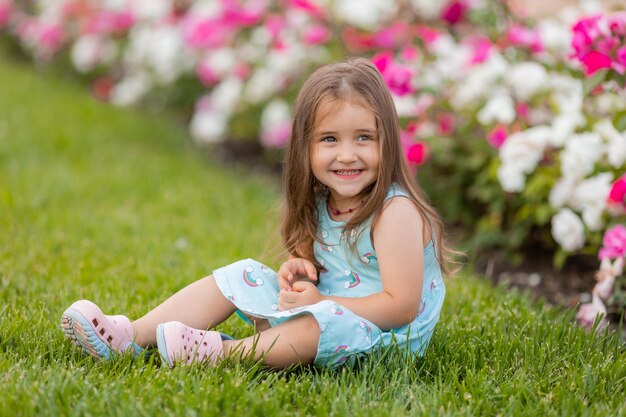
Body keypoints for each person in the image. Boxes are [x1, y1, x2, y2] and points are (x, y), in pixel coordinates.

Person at [60, 57, 454, 369]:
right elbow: (331, 271)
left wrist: (319, 304)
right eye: (330, 139)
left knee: (320, 325)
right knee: (242, 273)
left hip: (385, 340)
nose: (347, 154)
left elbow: (400, 306)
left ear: (387, 141)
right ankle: (129, 334)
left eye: (364, 138)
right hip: (323, 312)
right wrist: (299, 271)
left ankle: (220, 354)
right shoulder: (323, 202)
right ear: (306, 148)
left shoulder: (394, 212)